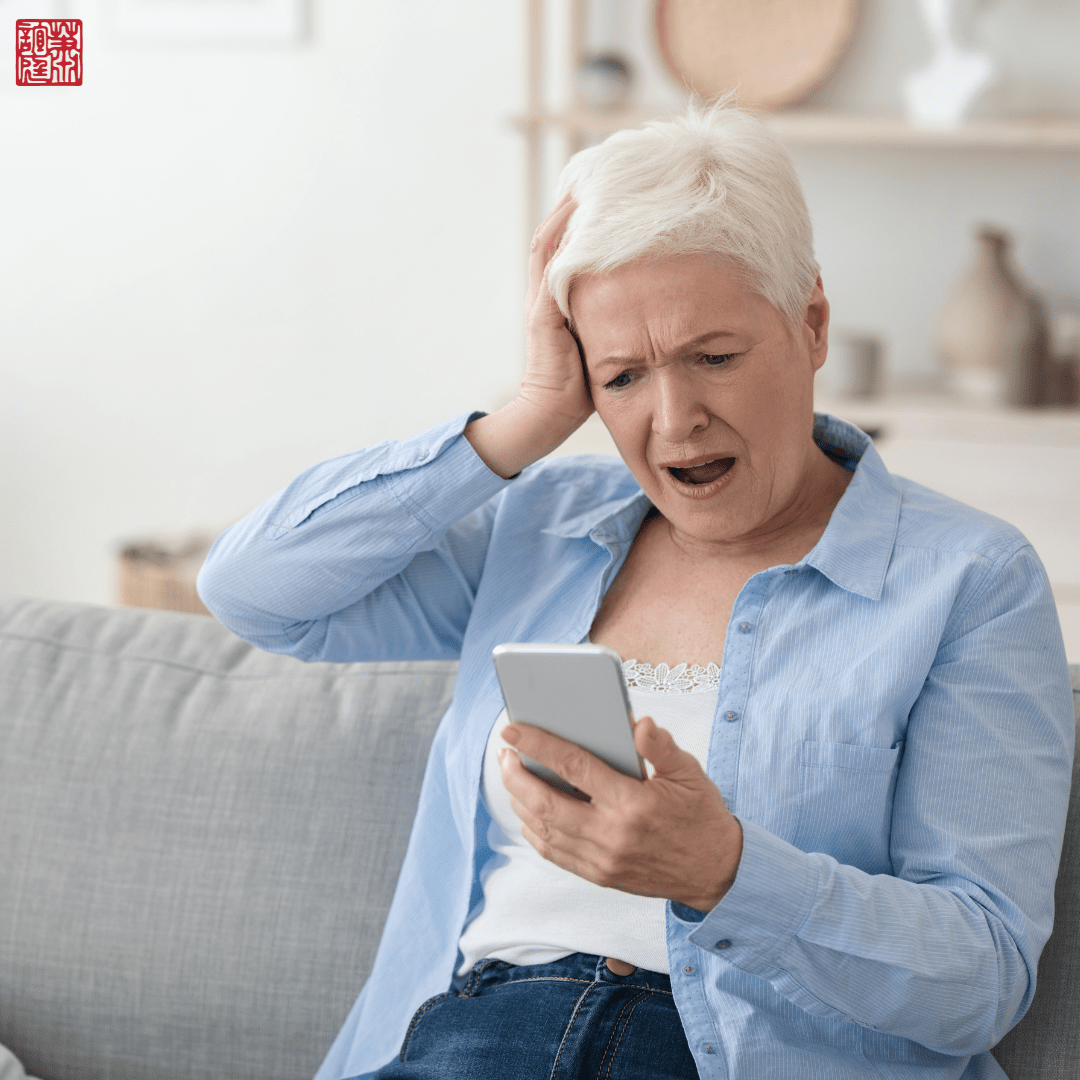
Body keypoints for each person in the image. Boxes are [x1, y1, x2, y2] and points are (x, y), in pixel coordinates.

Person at [196, 103, 1074, 1080]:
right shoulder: (543, 531)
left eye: (715, 357)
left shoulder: (968, 580)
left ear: (812, 324)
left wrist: (726, 873)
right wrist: (523, 422)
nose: (675, 419)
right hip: (481, 1035)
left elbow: (981, 977)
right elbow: (255, 589)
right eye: (622, 377)